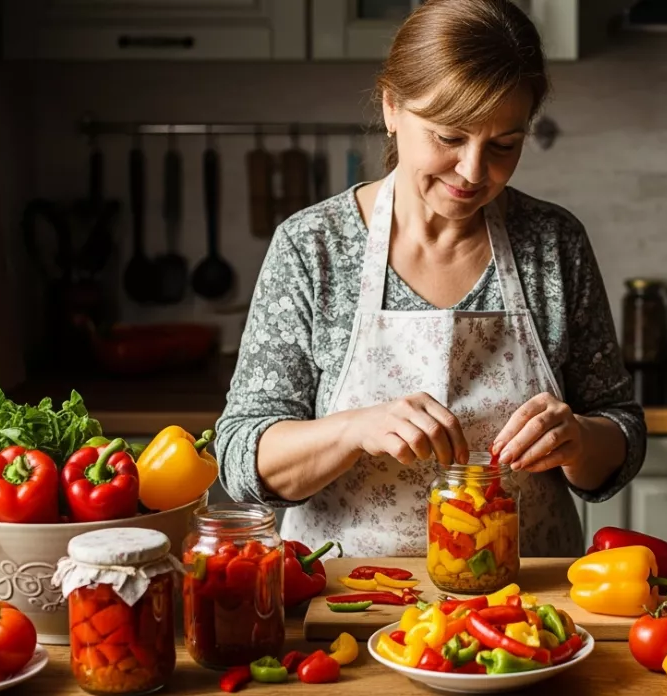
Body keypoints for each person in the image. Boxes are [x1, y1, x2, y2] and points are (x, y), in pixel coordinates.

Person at [215, 0, 645, 557]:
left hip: (524, 609)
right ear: (393, 107)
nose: (472, 171)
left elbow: (622, 434)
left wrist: (579, 439)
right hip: (351, 607)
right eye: (448, 137)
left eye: (504, 145)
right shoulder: (313, 246)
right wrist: (352, 430)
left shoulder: (552, 242)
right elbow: (240, 458)